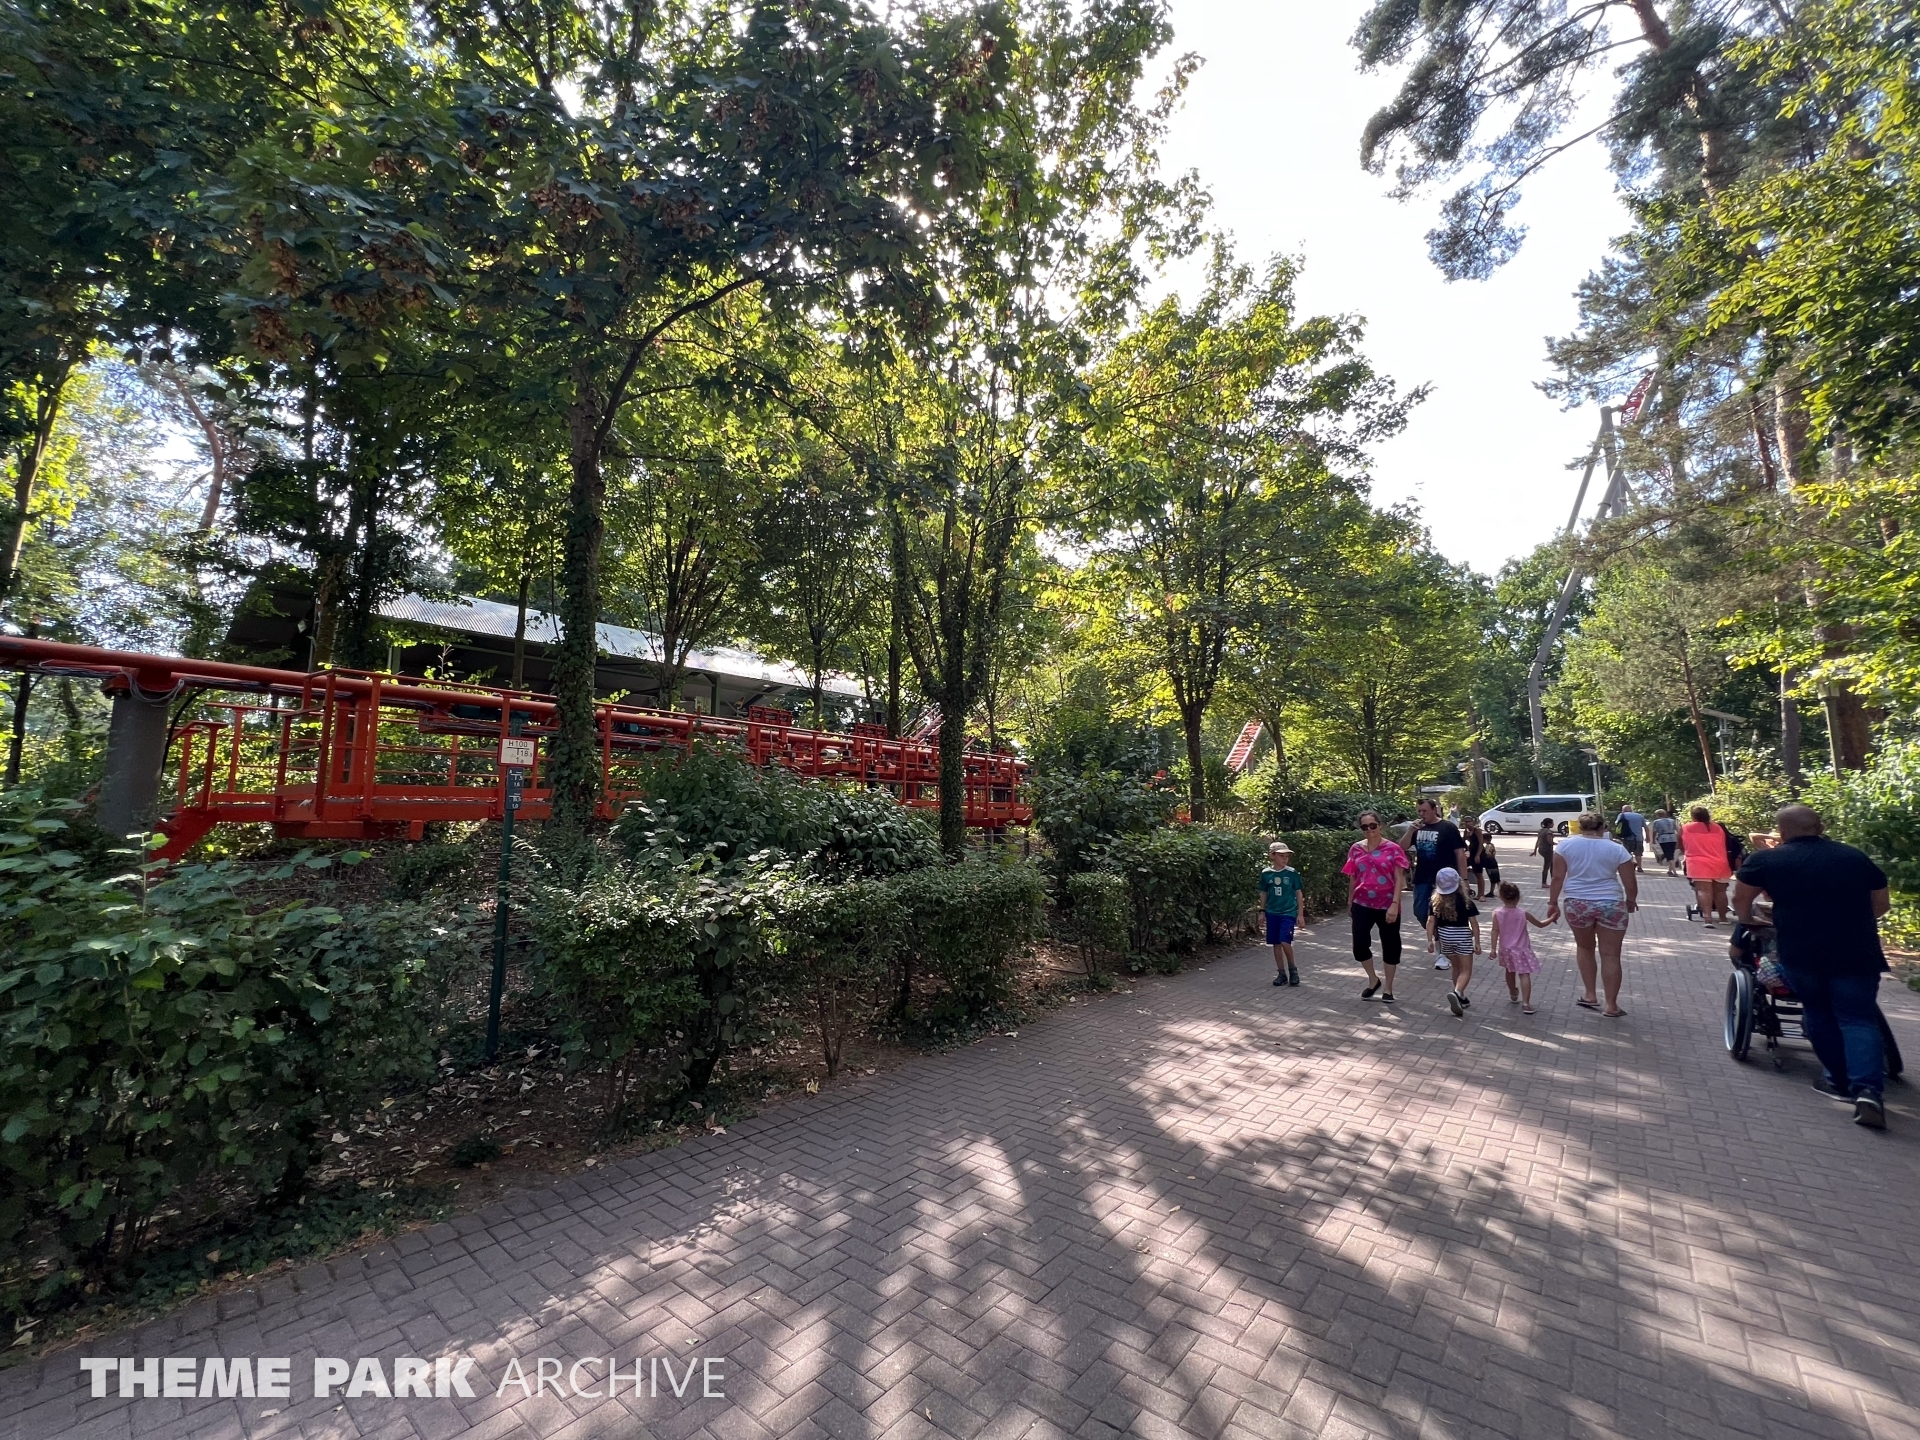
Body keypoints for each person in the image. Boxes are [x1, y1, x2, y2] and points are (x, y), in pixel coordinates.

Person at [1734, 804, 1894, 1129]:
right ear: (1820, 827)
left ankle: (1838, 1081)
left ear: (1781, 832)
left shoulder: (1767, 860)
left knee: (1818, 1012)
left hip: (1801, 953)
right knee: (1858, 1019)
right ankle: (1867, 1090)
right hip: (1857, 952)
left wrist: (1748, 919)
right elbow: (1881, 904)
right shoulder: (1853, 857)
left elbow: (1741, 899)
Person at [1547, 812, 1638, 1017]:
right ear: (1602, 827)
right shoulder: (1617, 849)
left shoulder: (1564, 846)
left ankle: (1590, 995)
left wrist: (1552, 903)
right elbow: (1630, 882)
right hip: (1611, 903)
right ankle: (1611, 1005)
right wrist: (1630, 901)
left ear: (1580, 827)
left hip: (1577, 903)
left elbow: (1557, 877)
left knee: (1584, 947)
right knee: (1611, 955)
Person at [1343, 811, 1409, 1002]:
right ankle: (1373, 980)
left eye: (1373, 825)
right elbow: (1353, 876)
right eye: (1365, 827)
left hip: (1387, 904)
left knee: (1391, 945)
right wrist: (1350, 901)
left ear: (1380, 825)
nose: (1369, 830)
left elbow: (1399, 878)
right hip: (1361, 903)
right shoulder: (1356, 849)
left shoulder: (1393, 849)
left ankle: (1388, 988)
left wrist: (1395, 904)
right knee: (1359, 945)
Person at [1407, 797, 1470, 967]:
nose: (1421, 814)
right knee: (1420, 912)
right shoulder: (1417, 828)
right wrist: (1411, 830)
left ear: (1434, 810)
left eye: (1425, 811)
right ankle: (1440, 939)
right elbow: (1401, 847)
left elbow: (1460, 853)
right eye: (1419, 811)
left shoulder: (1447, 827)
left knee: (1443, 914)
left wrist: (1464, 880)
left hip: (1445, 879)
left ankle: (1443, 952)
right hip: (1422, 878)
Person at [1490, 881, 1553, 1014]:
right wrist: (1552, 918)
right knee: (1524, 974)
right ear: (1518, 897)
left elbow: (1495, 931)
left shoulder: (1496, 913)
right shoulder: (1523, 913)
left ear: (1500, 897)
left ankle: (1513, 992)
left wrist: (1493, 949)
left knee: (1509, 971)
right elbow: (1540, 924)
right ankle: (1526, 1003)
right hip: (1522, 949)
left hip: (1506, 949)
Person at [1426, 868, 1480, 1017]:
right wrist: (1477, 941)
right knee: (1466, 970)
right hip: (1462, 936)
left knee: (1456, 967)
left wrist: (1429, 940)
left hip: (1445, 937)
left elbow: (1430, 921)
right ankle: (1457, 992)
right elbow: (1474, 923)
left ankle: (1461, 997)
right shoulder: (1466, 901)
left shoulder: (1435, 901)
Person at [1681, 804, 1735, 926]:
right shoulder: (1718, 828)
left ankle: (1707, 919)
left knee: (1703, 891)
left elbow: (1681, 844)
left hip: (1698, 864)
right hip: (1720, 862)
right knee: (1720, 892)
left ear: (1693, 816)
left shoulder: (1686, 828)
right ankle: (1723, 919)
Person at [1260, 841, 1303, 988]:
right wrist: (1262, 911)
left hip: (1288, 912)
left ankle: (1293, 970)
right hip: (1272, 913)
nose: (1285, 859)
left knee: (1285, 941)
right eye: (1281, 856)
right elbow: (1264, 893)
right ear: (1272, 856)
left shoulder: (1291, 873)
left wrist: (1300, 914)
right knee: (1276, 943)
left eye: (1287, 856)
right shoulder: (1266, 873)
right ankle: (1281, 974)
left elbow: (1298, 893)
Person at [1615, 802, 1647, 873]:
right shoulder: (1639, 816)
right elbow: (1645, 827)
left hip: (1626, 837)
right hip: (1638, 838)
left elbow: (1617, 823)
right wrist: (1648, 837)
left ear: (1623, 810)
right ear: (1631, 809)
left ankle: (1631, 866)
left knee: (1627, 853)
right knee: (1638, 854)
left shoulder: (1622, 815)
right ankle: (1639, 867)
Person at [1650, 808, 1680, 876]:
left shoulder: (1657, 822)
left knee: (1668, 855)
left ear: (1658, 815)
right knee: (1671, 854)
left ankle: (1674, 872)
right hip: (1673, 838)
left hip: (1663, 839)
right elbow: (1678, 829)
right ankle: (1670, 871)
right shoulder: (1671, 820)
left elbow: (1654, 831)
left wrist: (1653, 839)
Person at [1533, 818, 1556, 889]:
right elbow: (1550, 842)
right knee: (1547, 866)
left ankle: (1552, 881)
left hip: (1541, 849)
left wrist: (1535, 850)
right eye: (1552, 823)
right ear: (1549, 824)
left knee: (1551, 865)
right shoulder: (1548, 832)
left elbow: (1538, 841)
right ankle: (1545, 883)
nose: (1553, 824)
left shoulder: (1541, 831)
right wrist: (1558, 843)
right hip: (1547, 851)